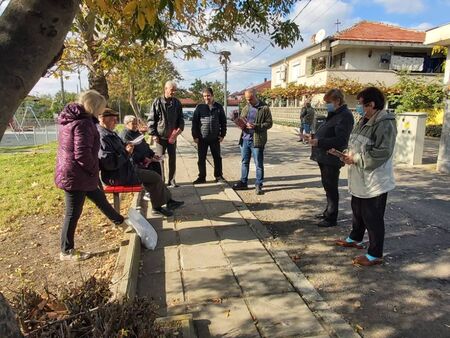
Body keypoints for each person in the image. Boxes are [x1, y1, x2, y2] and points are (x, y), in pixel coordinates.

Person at [55, 90, 126, 261]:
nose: (101, 111)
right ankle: (66, 251)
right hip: (77, 175)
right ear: (93, 106)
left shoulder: (72, 120)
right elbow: (82, 154)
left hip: (75, 172)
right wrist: (95, 169)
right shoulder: (84, 124)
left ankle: (121, 222)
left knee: (100, 199)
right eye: (100, 108)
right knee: (73, 213)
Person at [335, 87, 397, 266]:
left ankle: (375, 254)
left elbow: (382, 152)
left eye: (361, 104)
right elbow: (355, 143)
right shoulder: (363, 120)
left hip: (374, 179)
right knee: (358, 211)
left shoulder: (385, 123)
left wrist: (355, 158)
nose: (359, 108)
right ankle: (355, 238)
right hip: (359, 177)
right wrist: (346, 154)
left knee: (373, 217)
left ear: (372, 104)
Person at [98, 108, 184, 217]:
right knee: (154, 177)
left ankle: (165, 202)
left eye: (116, 119)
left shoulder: (110, 133)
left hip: (125, 170)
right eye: (112, 119)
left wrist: (150, 155)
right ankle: (158, 207)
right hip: (117, 176)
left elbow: (141, 148)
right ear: (101, 119)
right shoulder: (104, 136)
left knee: (154, 172)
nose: (115, 122)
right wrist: (127, 153)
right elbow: (109, 163)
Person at [306, 88, 354, 227]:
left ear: (337, 100)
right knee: (327, 186)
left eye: (328, 102)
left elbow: (340, 139)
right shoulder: (334, 113)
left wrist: (319, 142)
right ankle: (328, 212)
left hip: (332, 156)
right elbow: (328, 131)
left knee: (331, 187)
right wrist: (314, 137)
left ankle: (331, 217)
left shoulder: (345, 115)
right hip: (324, 155)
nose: (326, 105)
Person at [232, 89, 273, 195]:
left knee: (258, 164)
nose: (248, 101)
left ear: (255, 96)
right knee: (244, 162)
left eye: (250, 99)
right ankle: (243, 182)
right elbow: (242, 120)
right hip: (245, 139)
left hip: (257, 140)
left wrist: (256, 126)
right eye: (246, 99)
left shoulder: (264, 108)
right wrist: (238, 122)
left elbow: (269, 123)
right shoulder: (246, 107)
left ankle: (259, 184)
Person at [148, 81, 185, 187]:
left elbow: (181, 119)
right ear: (165, 89)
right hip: (160, 137)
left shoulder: (177, 103)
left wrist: (179, 130)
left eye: (175, 90)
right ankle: (161, 180)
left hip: (172, 137)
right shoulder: (157, 101)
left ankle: (172, 180)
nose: (173, 92)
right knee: (160, 160)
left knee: (172, 159)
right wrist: (153, 134)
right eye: (172, 89)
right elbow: (151, 119)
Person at [191, 87, 227, 184]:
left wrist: (222, 135)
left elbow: (223, 122)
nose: (207, 98)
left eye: (208, 96)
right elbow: (194, 123)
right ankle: (202, 177)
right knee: (201, 159)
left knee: (217, 158)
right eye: (205, 96)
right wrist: (195, 136)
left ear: (212, 96)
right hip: (202, 138)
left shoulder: (218, 107)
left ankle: (218, 176)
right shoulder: (199, 107)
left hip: (215, 138)